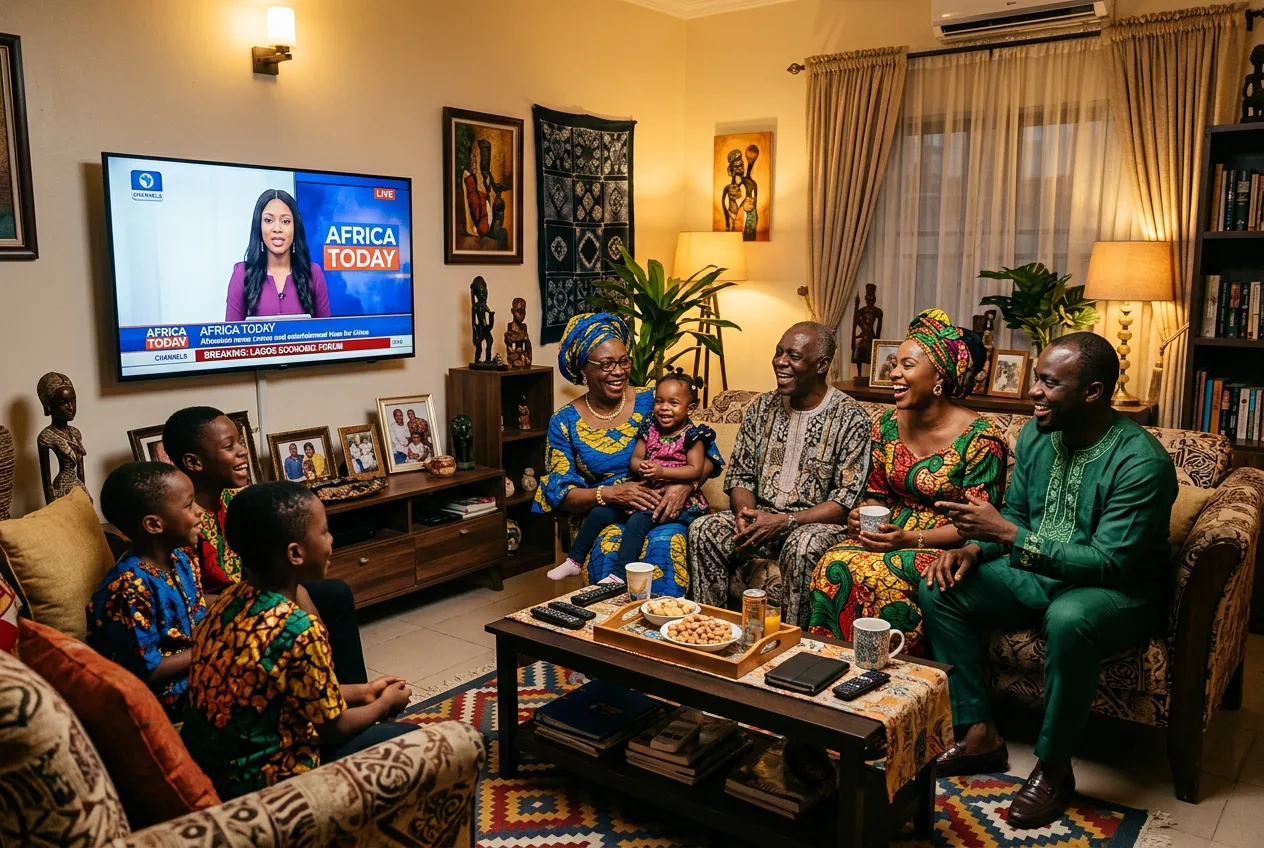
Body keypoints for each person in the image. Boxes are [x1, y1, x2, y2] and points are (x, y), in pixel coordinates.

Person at [919, 333, 1177, 828]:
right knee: (940, 584)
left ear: (1093, 392)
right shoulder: (1038, 434)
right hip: (1036, 572)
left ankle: (1055, 769)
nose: (1034, 392)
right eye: (1037, 378)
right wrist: (973, 548)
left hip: (1115, 593)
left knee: (1070, 617)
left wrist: (1010, 535)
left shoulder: (1141, 462)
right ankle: (978, 735)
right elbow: (1015, 514)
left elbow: (1109, 562)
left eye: (1050, 383)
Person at [182, 482, 414, 799]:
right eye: (325, 532)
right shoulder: (298, 627)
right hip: (267, 779)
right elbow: (333, 730)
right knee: (414, 741)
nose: (331, 541)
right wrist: (385, 704)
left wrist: (364, 691)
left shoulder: (226, 602)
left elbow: (288, 691)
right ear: (295, 553)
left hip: (218, 767)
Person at [807, 309, 1008, 654]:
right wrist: (862, 515)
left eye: (907, 366)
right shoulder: (885, 424)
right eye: (895, 364)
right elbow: (875, 493)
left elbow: (979, 526)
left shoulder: (982, 440)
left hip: (946, 545)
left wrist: (911, 539)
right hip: (891, 534)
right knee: (833, 560)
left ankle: (895, 677)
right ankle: (831, 665)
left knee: (885, 573)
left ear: (939, 377)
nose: (894, 373)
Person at [162, 407, 367, 685]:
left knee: (334, 593)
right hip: (212, 617)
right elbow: (188, 604)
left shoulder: (237, 502)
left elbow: (260, 568)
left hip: (248, 594)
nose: (243, 451)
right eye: (229, 446)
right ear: (193, 462)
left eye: (240, 442)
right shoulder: (182, 523)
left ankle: (349, 690)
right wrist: (269, 602)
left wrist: (300, 600)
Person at [688, 322, 871, 628]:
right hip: (763, 518)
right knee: (704, 529)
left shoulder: (851, 417)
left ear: (822, 365)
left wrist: (786, 522)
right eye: (778, 352)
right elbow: (742, 475)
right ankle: (713, 630)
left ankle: (793, 644)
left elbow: (844, 501)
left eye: (794, 356)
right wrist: (745, 513)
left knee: (802, 545)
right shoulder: (760, 407)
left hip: (817, 527)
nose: (780, 362)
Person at [534, 313, 722, 597]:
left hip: (662, 508)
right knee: (609, 545)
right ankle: (610, 632)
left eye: (624, 361)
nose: (619, 371)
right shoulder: (564, 422)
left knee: (666, 542)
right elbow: (561, 494)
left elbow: (708, 456)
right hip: (607, 513)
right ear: (583, 370)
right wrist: (611, 494)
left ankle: (666, 631)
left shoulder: (655, 400)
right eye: (606, 364)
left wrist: (685, 486)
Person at [548, 371, 719, 583]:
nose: (664, 408)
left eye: (673, 403)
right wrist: (643, 467)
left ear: (690, 408)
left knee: (637, 523)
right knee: (600, 513)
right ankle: (573, 561)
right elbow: (635, 460)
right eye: (659, 401)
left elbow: (696, 468)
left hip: (667, 501)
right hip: (642, 493)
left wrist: (664, 473)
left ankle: (619, 576)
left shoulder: (693, 436)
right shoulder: (650, 427)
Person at [87, 462, 205, 719]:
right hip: (170, 700)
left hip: (200, 673)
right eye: (188, 505)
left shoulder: (182, 557)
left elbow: (194, 610)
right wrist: (211, 649)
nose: (199, 511)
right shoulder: (128, 587)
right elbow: (146, 670)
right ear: (154, 525)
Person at [225, 189, 331, 321]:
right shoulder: (241, 273)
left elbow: (326, 335)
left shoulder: (313, 273)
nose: (277, 228)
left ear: (295, 227)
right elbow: (230, 336)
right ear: (259, 226)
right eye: (269, 220)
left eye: (285, 221)